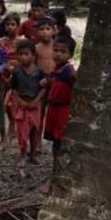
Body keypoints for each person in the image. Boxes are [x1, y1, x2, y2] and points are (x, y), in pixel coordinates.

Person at [7, 40, 46, 171]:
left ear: (33, 55)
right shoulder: (17, 72)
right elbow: (14, 89)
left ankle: (33, 155)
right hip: (22, 106)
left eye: (26, 54)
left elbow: (43, 88)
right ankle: (23, 155)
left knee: (35, 131)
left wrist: (36, 101)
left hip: (35, 105)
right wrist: (20, 101)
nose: (24, 57)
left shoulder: (39, 72)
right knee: (22, 133)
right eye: (21, 54)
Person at [44, 36, 76, 173]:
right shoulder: (56, 69)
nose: (58, 54)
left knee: (59, 142)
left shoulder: (69, 71)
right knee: (55, 142)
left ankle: (58, 172)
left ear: (71, 55)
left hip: (63, 110)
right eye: (55, 50)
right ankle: (56, 170)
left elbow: (76, 83)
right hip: (53, 108)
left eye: (62, 52)